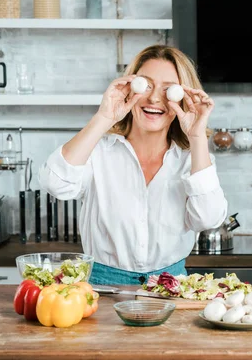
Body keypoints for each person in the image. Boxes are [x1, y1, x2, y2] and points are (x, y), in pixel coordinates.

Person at [39, 45, 228, 285]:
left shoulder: (192, 160)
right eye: (146, 85)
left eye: (169, 90)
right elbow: (54, 183)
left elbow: (208, 219)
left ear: (184, 98)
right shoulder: (98, 152)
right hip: (102, 289)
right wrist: (104, 117)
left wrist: (197, 136)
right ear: (130, 87)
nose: (154, 98)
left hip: (171, 289)